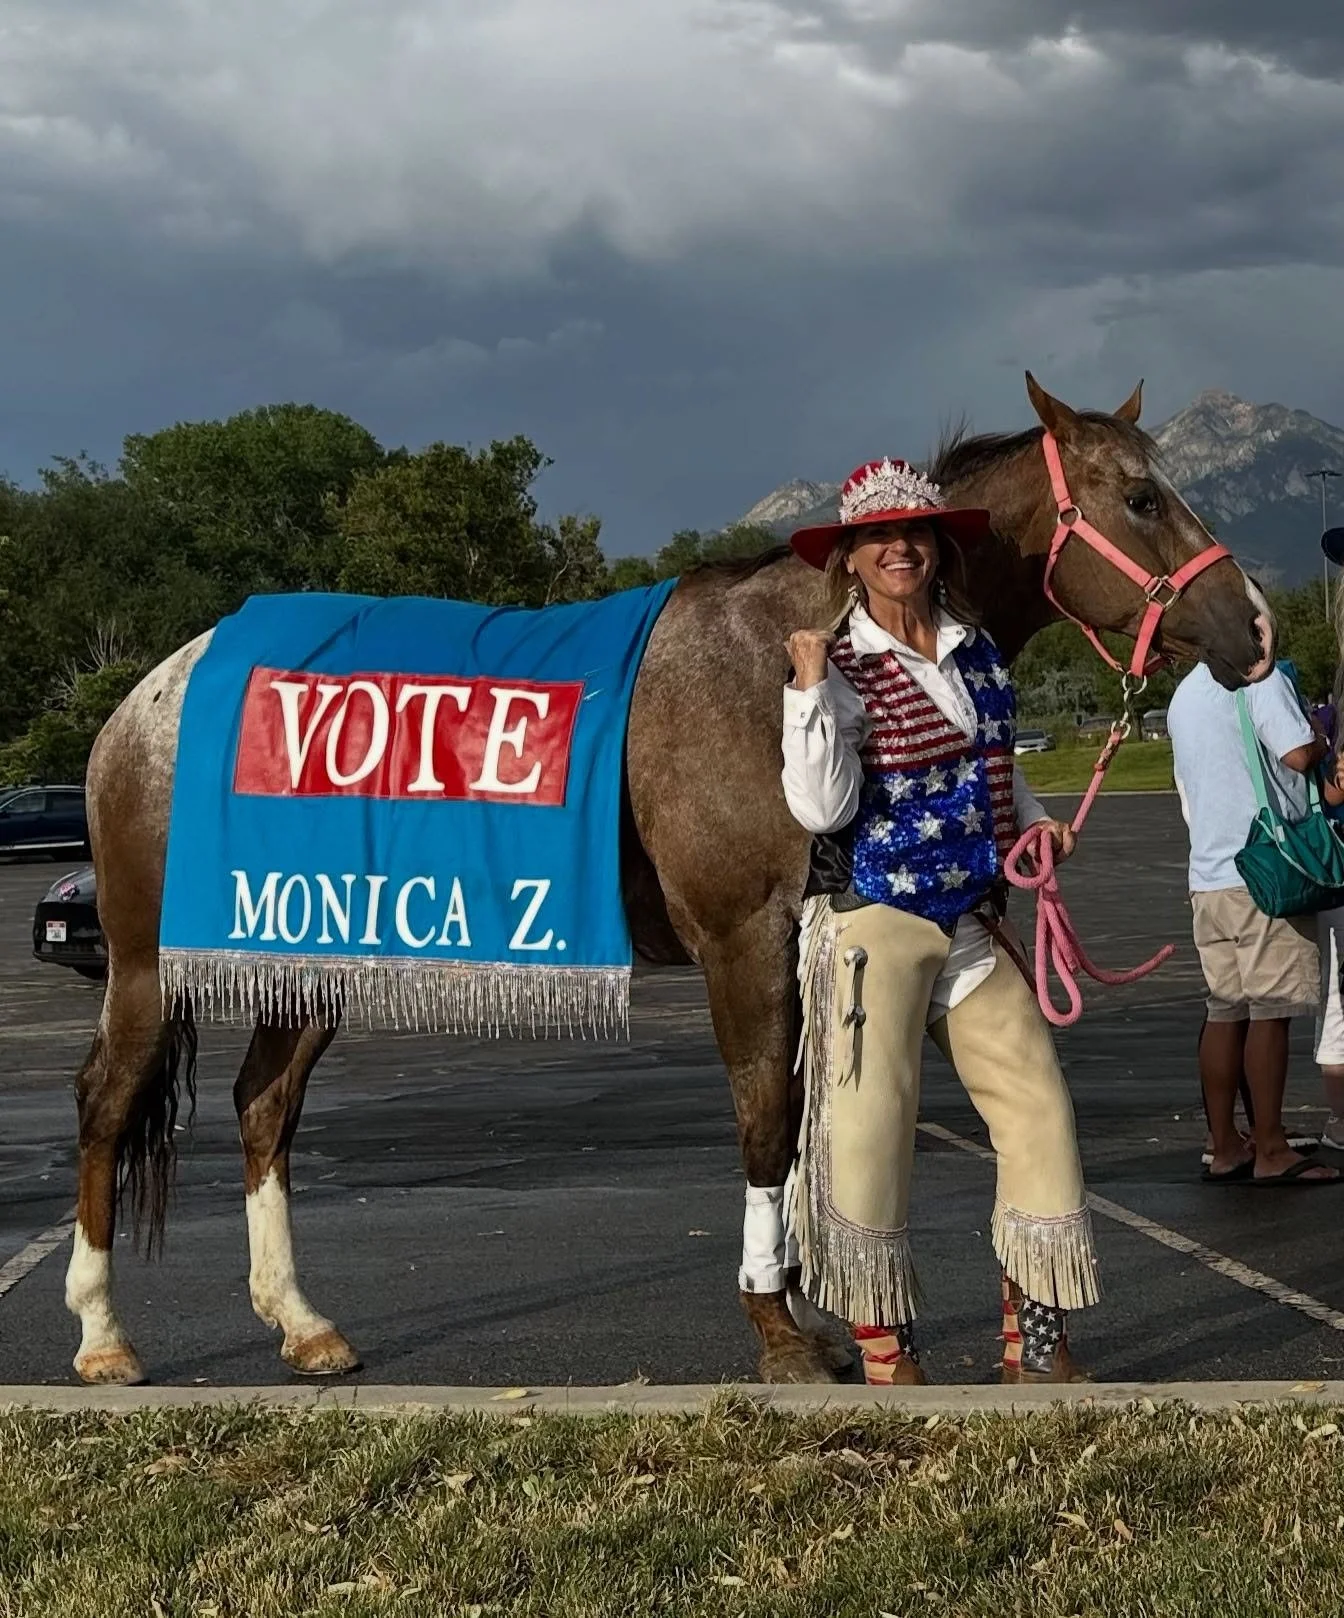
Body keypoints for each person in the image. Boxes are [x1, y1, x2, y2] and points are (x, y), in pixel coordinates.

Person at [782, 457, 1101, 1388]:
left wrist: (1034, 824)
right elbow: (820, 808)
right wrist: (807, 695)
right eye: (879, 537)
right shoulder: (834, 666)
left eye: (915, 534)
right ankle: (887, 1352)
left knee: (1038, 1106)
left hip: (970, 918)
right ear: (849, 559)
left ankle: (1035, 1345)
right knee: (871, 1125)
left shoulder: (976, 650)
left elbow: (993, 763)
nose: (900, 548)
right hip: (876, 918)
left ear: (937, 550)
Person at [1168, 660, 1340, 1186]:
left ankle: (1224, 1145)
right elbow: (1294, 752)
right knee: (1272, 1010)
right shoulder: (1257, 680)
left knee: (1225, 1009)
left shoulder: (1184, 693)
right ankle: (1270, 1148)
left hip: (1209, 875)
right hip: (1266, 866)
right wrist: (1317, 738)